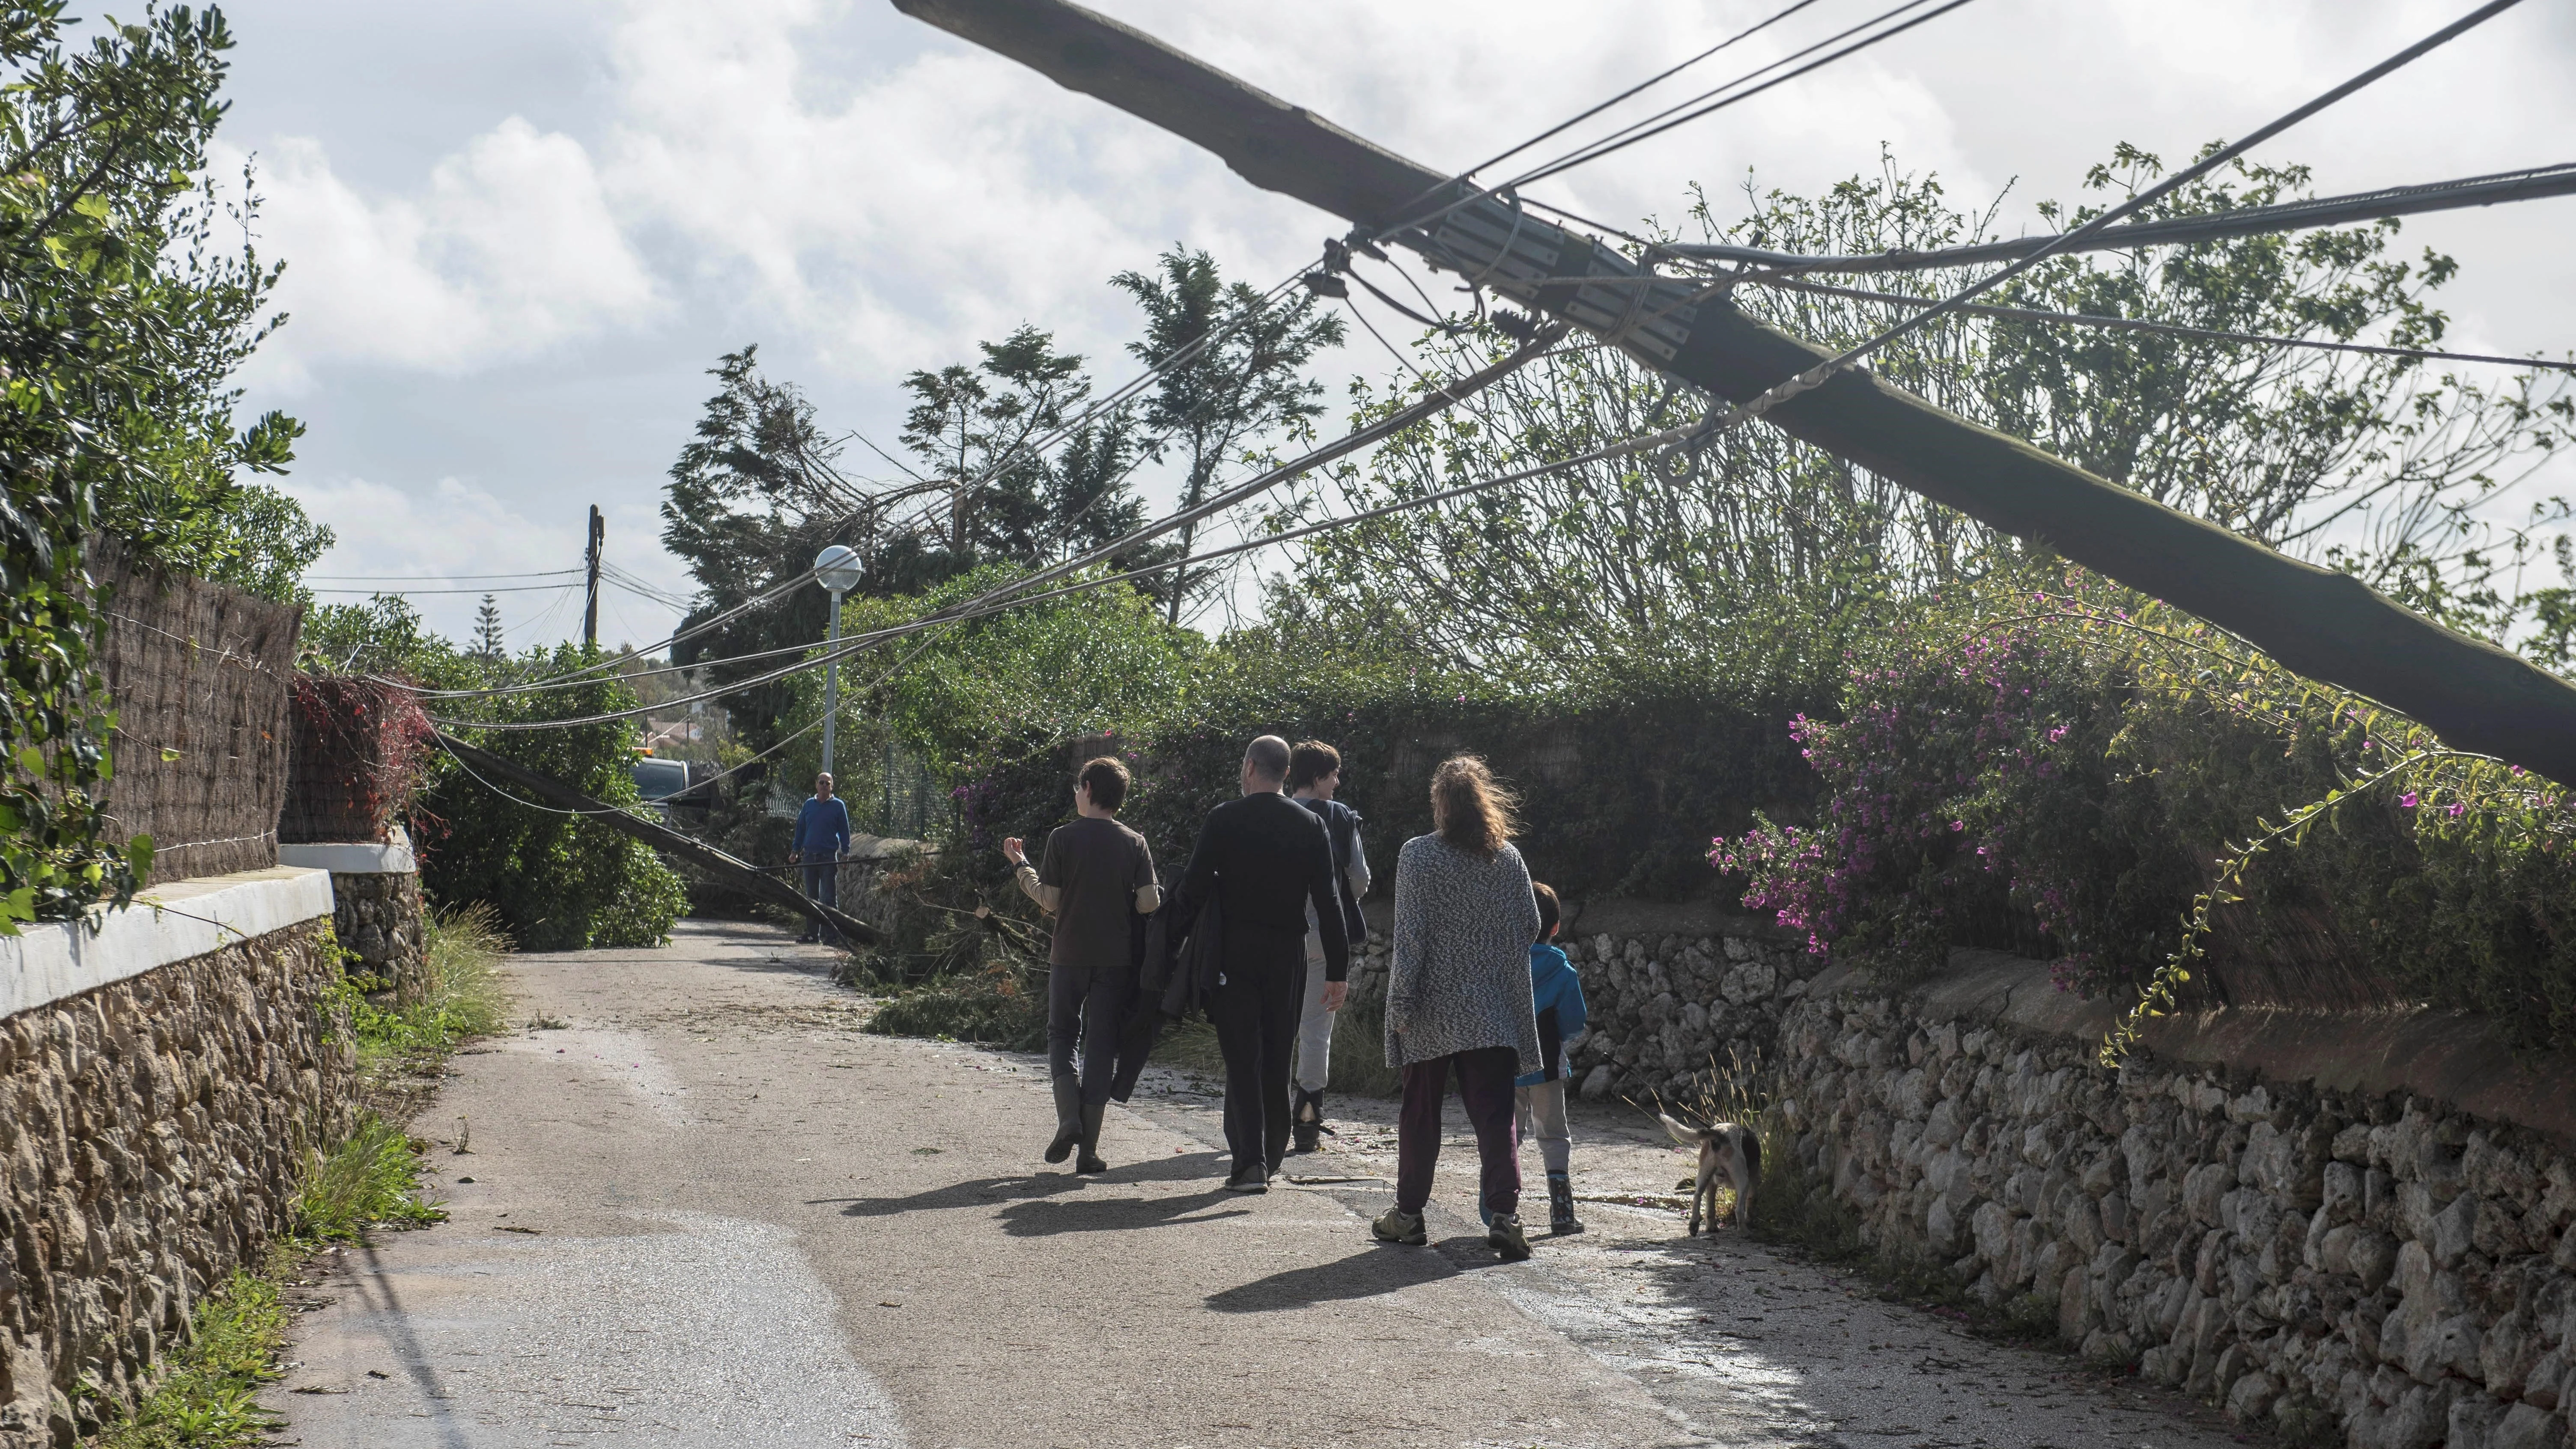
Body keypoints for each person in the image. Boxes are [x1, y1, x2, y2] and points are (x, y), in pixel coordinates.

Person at [1373, 756, 1543, 1261]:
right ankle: (1506, 1219)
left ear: (1440, 804)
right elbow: (1531, 925)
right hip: (1492, 1010)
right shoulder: (1508, 858)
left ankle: (1407, 1216)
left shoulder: (1418, 856)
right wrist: (1487, 956)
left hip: (1430, 1009)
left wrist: (1400, 1001)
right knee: (1495, 1118)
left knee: (1420, 1114)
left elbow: (1411, 938)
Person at [1162, 735, 1350, 1193]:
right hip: (1288, 954)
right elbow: (1330, 903)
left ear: (1249, 768)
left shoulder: (1224, 819)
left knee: (1242, 1056)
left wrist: (1164, 944)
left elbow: (1192, 891)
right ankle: (1271, 1150)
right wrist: (1338, 971)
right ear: (1287, 773)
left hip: (1234, 952)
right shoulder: (1311, 826)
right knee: (1276, 1053)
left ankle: (1250, 1163)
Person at [1003, 757, 1160, 1175]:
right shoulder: (1135, 842)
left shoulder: (1062, 838)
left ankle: (1068, 1119)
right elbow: (1150, 902)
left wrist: (1021, 867)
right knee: (1101, 1045)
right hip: (1115, 958)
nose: (1075, 793)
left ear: (1089, 789)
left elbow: (1050, 900)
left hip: (1069, 953)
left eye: (1077, 787)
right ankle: (1088, 1152)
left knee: (1062, 1034)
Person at [1286, 739, 1370, 1153]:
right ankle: (1308, 1111)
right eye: (1334, 774)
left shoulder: (1274, 812)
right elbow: (1359, 879)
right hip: (1323, 934)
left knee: (1275, 1023)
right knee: (1316, 1027)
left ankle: (1263, 1110)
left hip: (1277, 932)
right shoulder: (1339, 817)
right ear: (1318, 777)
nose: (1337, 782)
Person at [1516, 881, 1590, 1235]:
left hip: (1504, 1067)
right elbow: (1575, 1022)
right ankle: (1562, 1213)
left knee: (1505, 1136)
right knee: (1554, 1135)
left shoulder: (1503, 966)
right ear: (1556, 928)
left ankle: (1500, 1210)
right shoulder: (1563, 972)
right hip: (1547, 1067)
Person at [788, 772, 852, 944]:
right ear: (816, 785)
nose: (824, 786)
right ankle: (812, 934)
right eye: (822, 783)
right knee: (811, 898)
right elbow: (801, 829)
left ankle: (831, 936)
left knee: (829, 898)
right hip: (809, 856)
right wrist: (795, 851)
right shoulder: (809, 805)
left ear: (832, 787)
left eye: (828, 784)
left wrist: (846, 852)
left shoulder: (839, 806)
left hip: (828, 857)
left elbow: (845, 831)